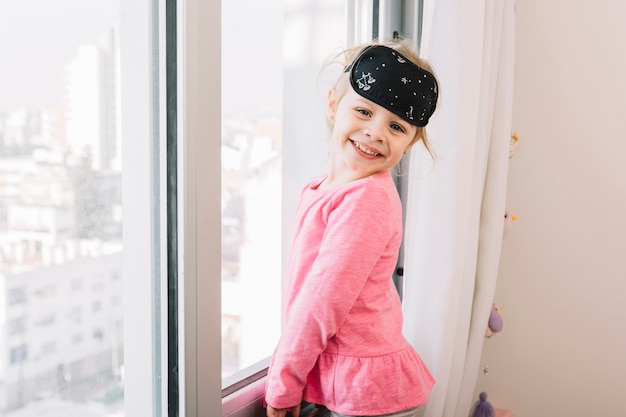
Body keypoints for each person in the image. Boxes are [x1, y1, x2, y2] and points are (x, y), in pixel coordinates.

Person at [265, 40, 439, 417]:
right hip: (348, 388)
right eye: (363, 111)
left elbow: (320, 303)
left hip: (366, 397)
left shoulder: (367, 200)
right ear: (333, 104)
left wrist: (283, 384)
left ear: (410, 143)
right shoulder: (323, 189)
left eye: (396, 126)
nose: (376, 132)